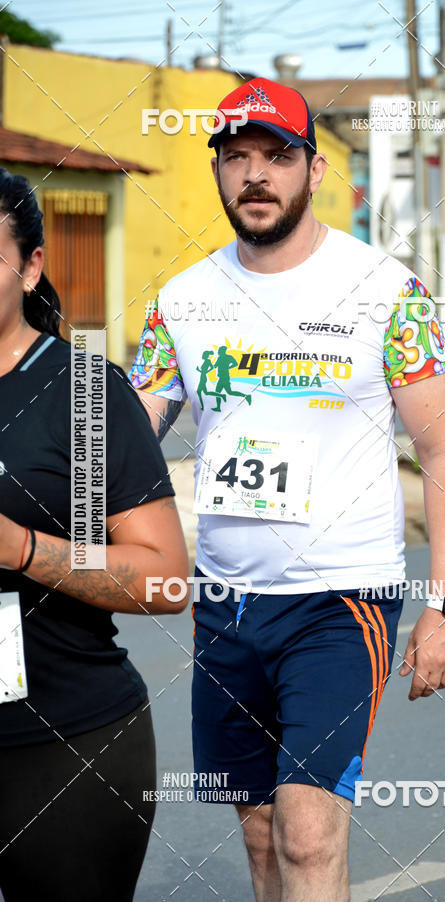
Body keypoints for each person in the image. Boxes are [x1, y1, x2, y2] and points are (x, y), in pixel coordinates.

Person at [129, 77, 445, 902]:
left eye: (276, 156)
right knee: (259, 836)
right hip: (225, 601)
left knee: (308, 832)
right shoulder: (181, 300)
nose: (255, 174)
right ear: (216, 170)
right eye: (236, 156)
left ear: (314, 170)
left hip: (340, 599)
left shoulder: (386, 292)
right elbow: (124, 442)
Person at [0, 170, 190, 902]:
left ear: (32, 265)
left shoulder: (80, 392)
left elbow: (166, 577)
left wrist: (22, 547)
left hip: (63, 747)